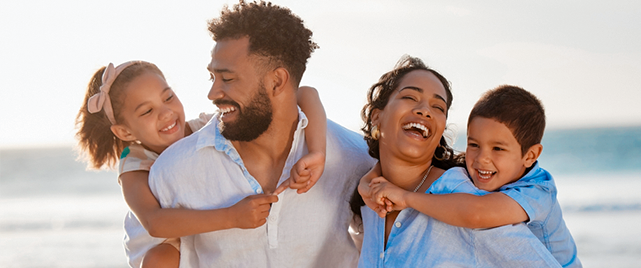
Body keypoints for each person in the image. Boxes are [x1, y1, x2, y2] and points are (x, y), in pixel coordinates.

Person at [147, 2, 375, 267]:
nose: (213, 94)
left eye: (228, 79)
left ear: (277, 81)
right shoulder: (173, 170)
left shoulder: (354, 159)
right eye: (212, 77)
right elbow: (151, 254)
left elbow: (381, 249)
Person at [75, 60, 328, 267]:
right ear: (124, 132)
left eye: (168, 97)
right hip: (168, 242)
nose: (165, 113)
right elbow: (155, 223)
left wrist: (317, 152)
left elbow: (305, 93)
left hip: (203, 234)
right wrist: (232, 216)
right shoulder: (134, 162)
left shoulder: (205, 129)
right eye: (146, 111)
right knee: (159, 260)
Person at [349, 56, 561, 267]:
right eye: (410, 97)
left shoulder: (463, 197)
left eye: (438, 107)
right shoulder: (370, 201)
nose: (425, 110)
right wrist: (368, 182)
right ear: (377, 116)